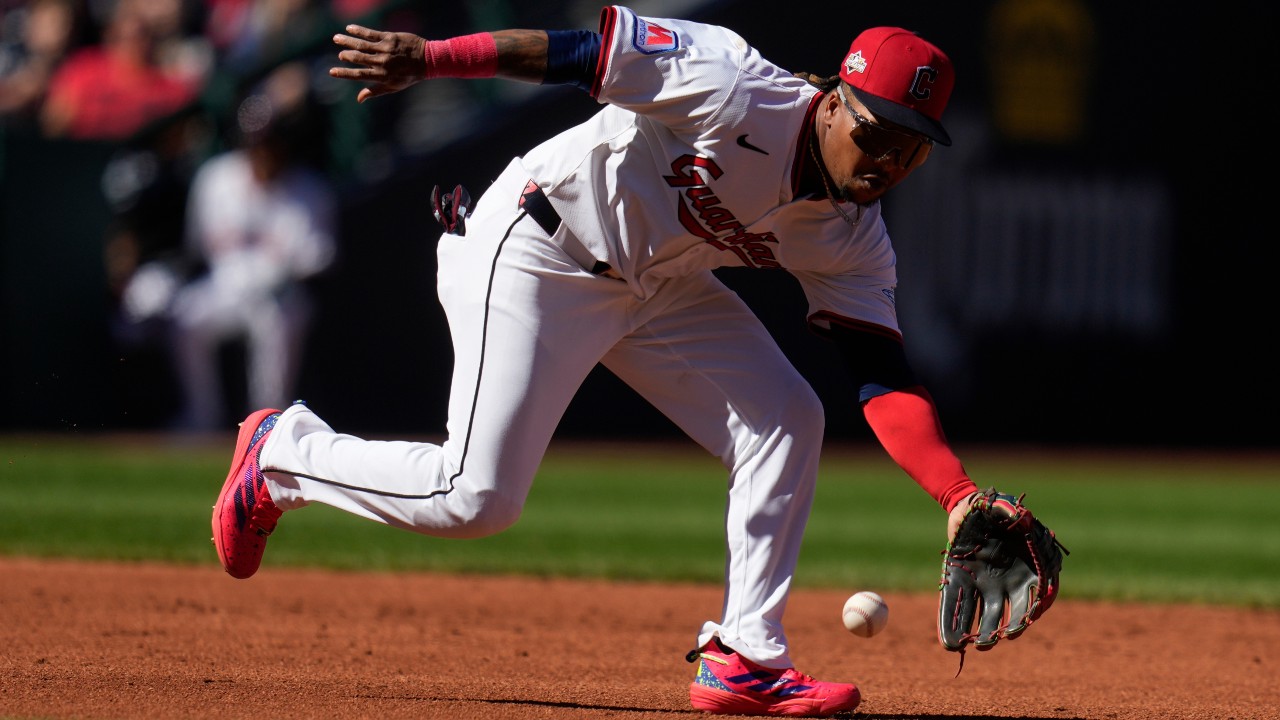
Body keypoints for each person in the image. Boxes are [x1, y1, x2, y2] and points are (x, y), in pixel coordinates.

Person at [212, 7, 1055, 717]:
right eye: (876, 134)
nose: (887, 163)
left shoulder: (853, 239)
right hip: (538, 247)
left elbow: (881, 374)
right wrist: (432, 58)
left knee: (787, 417)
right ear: (835, 102)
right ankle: (282, 454)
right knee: (475, 498)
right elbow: (580, 51)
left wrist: (957, 495)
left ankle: (746, 658)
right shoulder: (731, 83)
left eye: (911, 149)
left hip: (654, 287)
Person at [165, 61, 335, 430]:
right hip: (226, 288)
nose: (261, 153)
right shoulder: (215, 179)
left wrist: (285, 273)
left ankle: (266, 424)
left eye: (268, 144)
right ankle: (201, 417)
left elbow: (318, 259)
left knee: (280, 318)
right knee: (185, 317)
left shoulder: (309, 190)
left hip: (280, 295)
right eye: (254, 144)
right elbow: (198, 247)